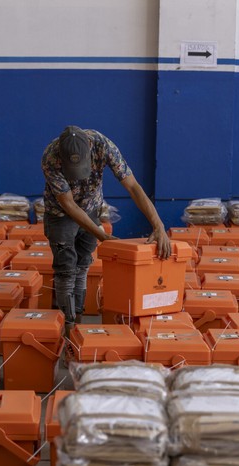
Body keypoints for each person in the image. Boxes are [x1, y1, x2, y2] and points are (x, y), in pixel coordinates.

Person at [41, 125, 171, 334]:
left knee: (83, 265)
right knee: (66, 269)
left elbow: (133, 186)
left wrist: (159, 225)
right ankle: (68, 329)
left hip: (91, 207)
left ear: (90, 147)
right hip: (61, 214)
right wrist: (101, 234)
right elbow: (69, 204)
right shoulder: (50, 157)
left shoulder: (103, 146)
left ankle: (79, 325)